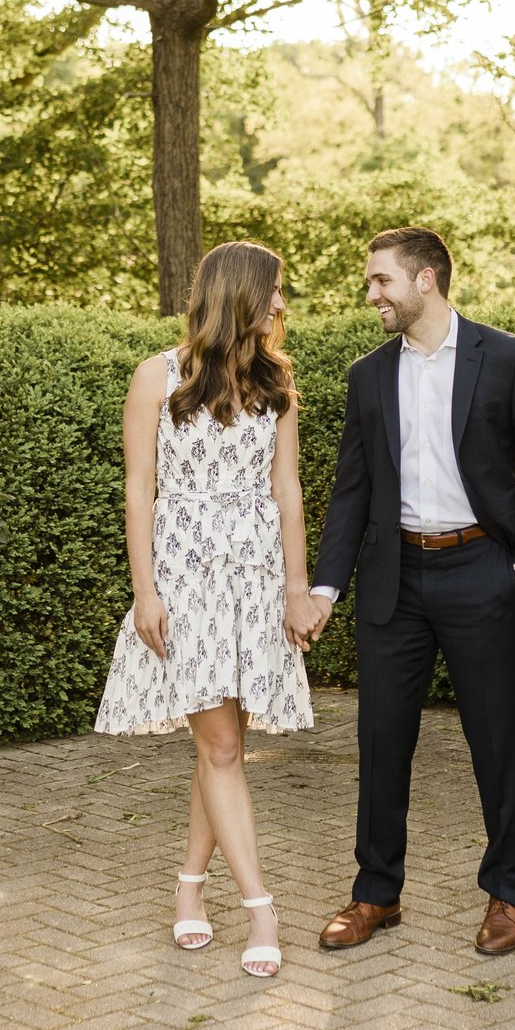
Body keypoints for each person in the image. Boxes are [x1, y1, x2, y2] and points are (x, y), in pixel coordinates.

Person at [302, 225, 515, 956]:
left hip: (481, 572)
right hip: (396, 582)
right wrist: (326, 587)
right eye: (370, 283)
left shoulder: (507, 356)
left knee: (493, 742)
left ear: (426, 280)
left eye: (381, 280)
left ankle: (509, 894)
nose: (372, 295)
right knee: (381, 741)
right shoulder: (367, 374)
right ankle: (375, 893)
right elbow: (350, 492)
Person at [93, 240, 320, 980]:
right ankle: (260, 907)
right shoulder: (155, 376)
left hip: (255, 580)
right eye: (276, 290)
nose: (283, 304)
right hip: (183, 579)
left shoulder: (277, 378)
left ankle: (189, 891)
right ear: (240, 295)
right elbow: (138, 491)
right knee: (222, 746)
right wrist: (144, 591)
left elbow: (287, 490)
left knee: (221, 744)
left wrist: (297, 586)